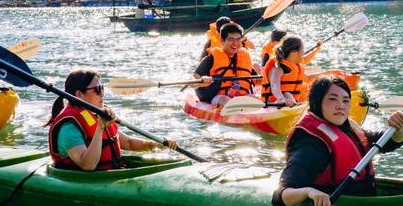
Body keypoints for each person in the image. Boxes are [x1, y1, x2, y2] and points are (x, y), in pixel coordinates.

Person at [273, 76, 403, 206]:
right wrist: (309, 192)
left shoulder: (347, 126)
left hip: (362, 204)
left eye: (345, 101)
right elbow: (280, 197)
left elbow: (389, 143)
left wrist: (398, 128)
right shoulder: (311, 143)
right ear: (317, 102)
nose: (340, 106)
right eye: (332, 99)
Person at [47, 70, 176, 170]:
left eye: (102, 87)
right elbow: (87, 165)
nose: (102, 93)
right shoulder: (69, 127)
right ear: (79, 94)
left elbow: (129, 143)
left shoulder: (95, 115)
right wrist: (99, 129)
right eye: (97, 89)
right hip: (86, 180)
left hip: (111, 172)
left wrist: (154, 144)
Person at [194, 21, 255, 106]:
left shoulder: (243, 57)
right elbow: (195, 78)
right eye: (231, 39)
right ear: (222, 41)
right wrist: (202, 80)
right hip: (219, 97)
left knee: (255, 99)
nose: (235, 43)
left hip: (241, 96)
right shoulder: (212, 57)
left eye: (238, 39)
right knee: (225, 100)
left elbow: (257, 79)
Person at [262, 35, 308, 106]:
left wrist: (326, 73)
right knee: (287, 94)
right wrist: (281, 99)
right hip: (274, 104)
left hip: (289, 103)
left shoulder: (296, 68)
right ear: (294, 52)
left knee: (293, 93)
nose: (304, 52)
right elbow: (274, 86)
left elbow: (307, 78)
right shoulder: (278, 67)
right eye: (302, 49)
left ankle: (295, 104)